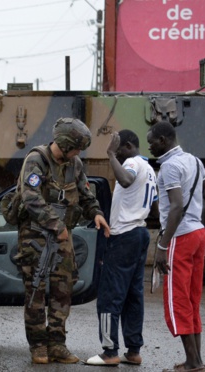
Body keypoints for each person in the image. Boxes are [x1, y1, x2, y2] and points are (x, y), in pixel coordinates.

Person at [14, 117, 110, 364]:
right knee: (36, 290)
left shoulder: (74, 164)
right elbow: (30, 197)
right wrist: (56, 226)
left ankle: (57, 344)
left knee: (63, 289)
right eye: (77, 147)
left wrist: (97, 214)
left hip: (62, 236)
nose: (79, 152)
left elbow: (86, 194)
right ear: (66, 143)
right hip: (35, 235)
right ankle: (38, 346)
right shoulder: (36, 160)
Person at [147, 121, 205, 372]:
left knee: (178, 300)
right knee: (192, 298)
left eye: (152, 141)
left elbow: (176, 206)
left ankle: (194, 363)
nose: (150, 145)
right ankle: (195, 361)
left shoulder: (169, 167)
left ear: (164, 140)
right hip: (197, 234)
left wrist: (163, 247)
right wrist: (204, 234)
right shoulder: (194, 161)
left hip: (180, 237)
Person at [86, 130, 157, 366]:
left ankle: (109, 352)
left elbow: (126, 180)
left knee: (109, 296)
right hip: (139, 233)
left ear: (126, 146)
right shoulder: (149, 169)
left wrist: (110, 155)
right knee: (132, 296)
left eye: (118, 150)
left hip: (125, 236)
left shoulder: (133, 163)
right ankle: (133, 350)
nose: (116, 155)